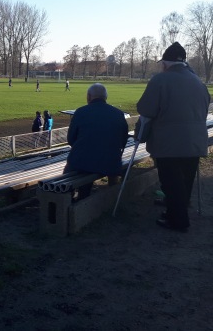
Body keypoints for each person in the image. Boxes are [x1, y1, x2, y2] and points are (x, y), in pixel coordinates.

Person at [136, 42, 210, 231]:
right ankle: (176, 210)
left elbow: (146, 109)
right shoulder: (198, 82)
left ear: (165, 63)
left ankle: (178, 221)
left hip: (168, 142)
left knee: (171, 181)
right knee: (185, 179)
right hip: (195, 140)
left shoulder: (160, 80)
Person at [64, 83, 128, 200]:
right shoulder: (118, 114)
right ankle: (109, 198)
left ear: (89, 96)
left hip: (83, 162)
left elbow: (71, 140)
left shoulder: (81, 112)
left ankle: (73, 199)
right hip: (111, 162)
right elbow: (123, 141)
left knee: (73, 169)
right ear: (105, 97)